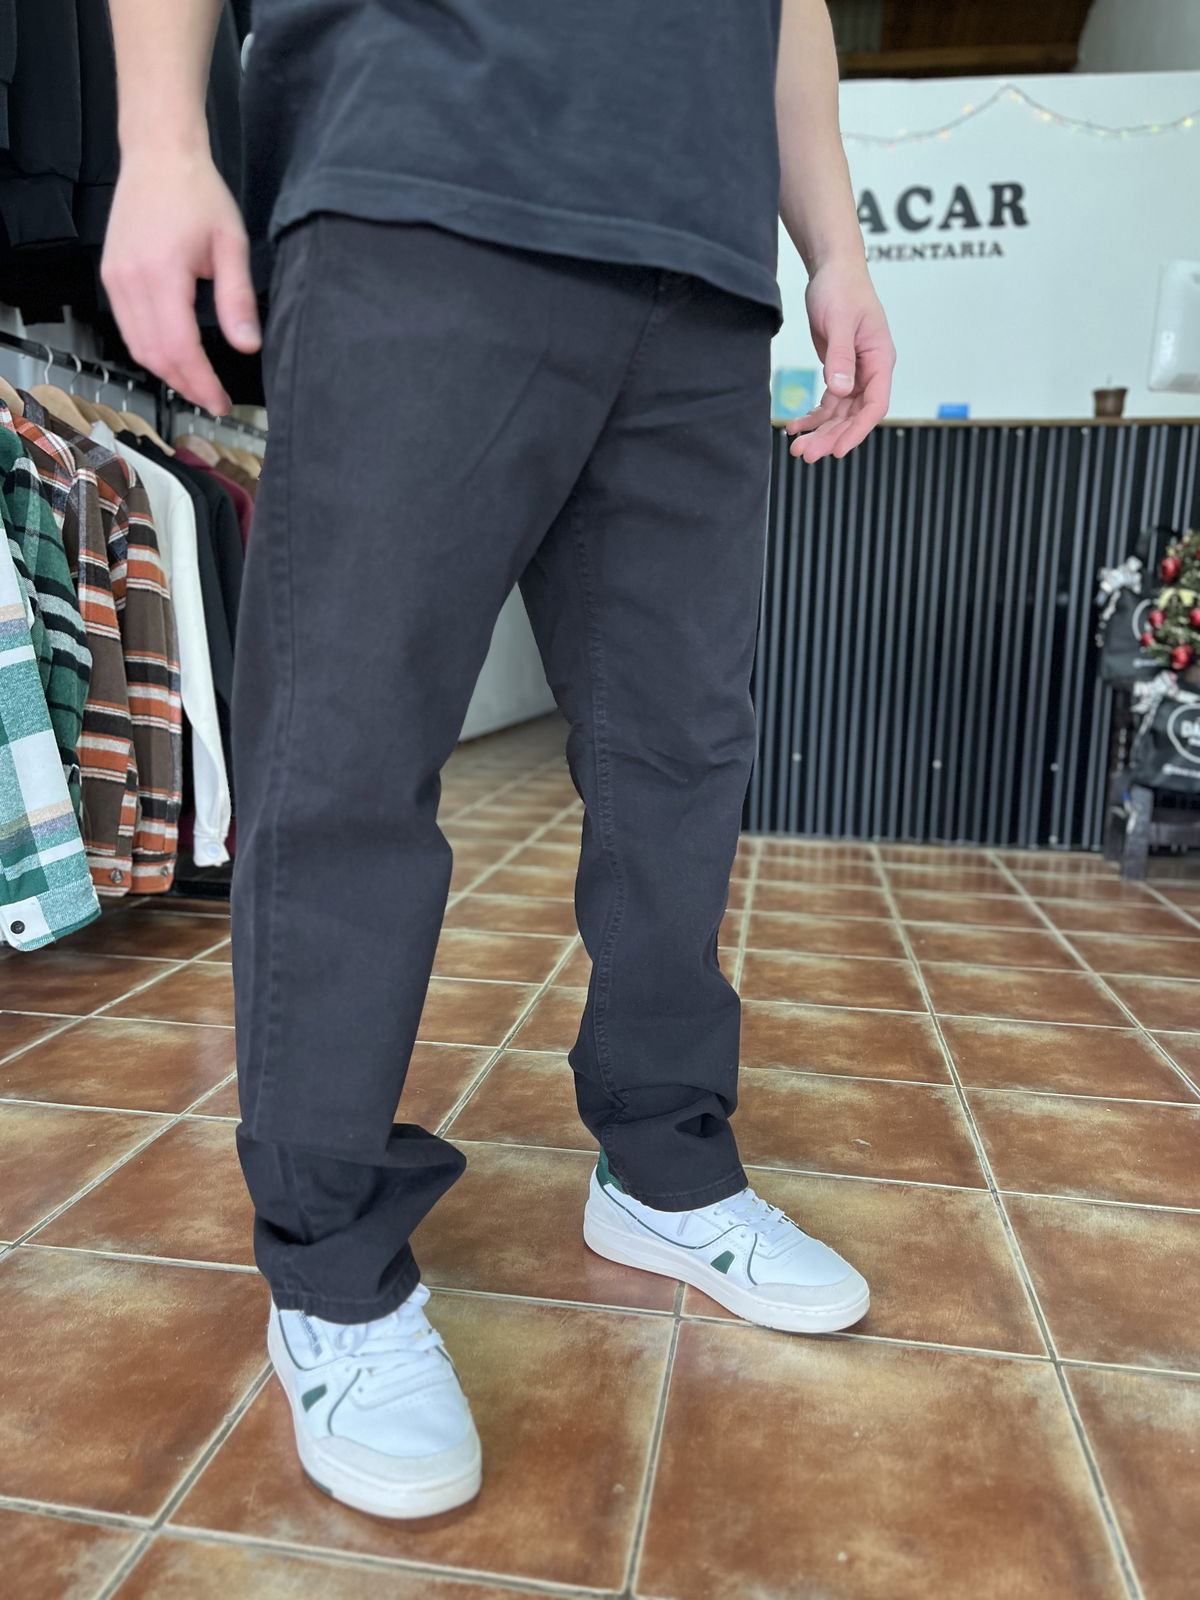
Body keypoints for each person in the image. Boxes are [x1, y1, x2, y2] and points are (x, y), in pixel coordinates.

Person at [102, 0, 895, 1520]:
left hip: (703, 260)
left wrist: (835, 249)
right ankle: (329, 1263)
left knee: (682, 753)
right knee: (348, 746)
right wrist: (156, 139)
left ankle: (665, 1165)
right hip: (422, 177)